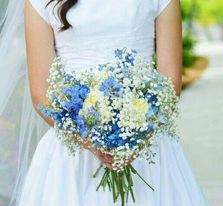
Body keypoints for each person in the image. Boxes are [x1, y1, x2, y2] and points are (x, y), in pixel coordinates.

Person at [0, 0, 209, 205]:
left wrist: (135, 136)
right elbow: (41, 92)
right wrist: (90, 141)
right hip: (72, 152)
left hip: (145, 145)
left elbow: (170, 83)